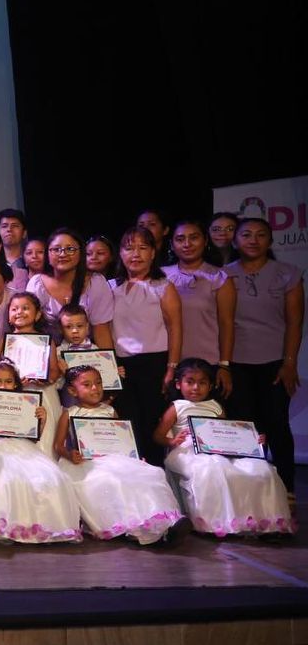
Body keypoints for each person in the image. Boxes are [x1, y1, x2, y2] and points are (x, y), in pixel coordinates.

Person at [157, 358, 294, 539]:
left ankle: (265, 524)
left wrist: (252, 441)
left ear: (211, 386)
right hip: (187, 451)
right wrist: (172, 441)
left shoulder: (216, 407)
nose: (196, 387)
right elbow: (158, 436)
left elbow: (226, 433)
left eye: (202, 383)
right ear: (178, 384)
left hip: (217, 451)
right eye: (190, 382)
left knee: (261, 468)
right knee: (212, 468)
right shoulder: (177, 408)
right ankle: (214, 523)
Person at [55, 365, 186, 545]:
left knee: (149, 473)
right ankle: (136, 528)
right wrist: (70, 454)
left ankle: (162, 523)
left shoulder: (110, 411)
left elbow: (120, 439)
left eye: (98, 383)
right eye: (87, 384)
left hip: (113, 458)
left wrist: (132, 455)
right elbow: (57, 445)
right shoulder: (69, 413)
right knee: (111, 480)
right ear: (72, 390)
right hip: (86, 462)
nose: (95, 388)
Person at [224, 217, 303, 492]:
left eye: (260, 235)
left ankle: (285, 488)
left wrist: (289, 362)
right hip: (235, 362)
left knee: (277, 424)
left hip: (274, 362)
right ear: (235, 241)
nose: (253, 240)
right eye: (246, 235)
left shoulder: (287, 272)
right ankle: (251, 489)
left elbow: (295, 322)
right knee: (244, 427)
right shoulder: (224, 274)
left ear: (270, 240)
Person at [0, 360, 81, 544]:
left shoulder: (25, 404)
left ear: (15, 384)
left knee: (50, 477)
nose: (3, 385)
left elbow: (32, 438)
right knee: (7, 480)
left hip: (23, 449)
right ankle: (9, 526)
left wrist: (41, 421)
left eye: (8, 381)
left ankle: (44, 525)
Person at [109, 227, 182, 466]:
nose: (135, 254)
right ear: (120, 253)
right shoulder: (111, 287)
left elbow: (175, 328)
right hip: (121, 366)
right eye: (129, 248)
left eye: (143, 248)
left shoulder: (163, 286)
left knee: (152, 424)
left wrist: (172, 367)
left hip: (155, 363)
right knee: (128, 424)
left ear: (153, 253)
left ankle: (157, 485)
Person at [164, 219, 234, 394]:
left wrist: (224, 365)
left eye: (194, 238)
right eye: (180, 239)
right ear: (172, 244)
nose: (187, 244)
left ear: (205, 241)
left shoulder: (219, 277)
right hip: (167, 362)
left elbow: (227, 323)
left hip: (207, 364)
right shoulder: (161, 276)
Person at [26, 228, 115, 348]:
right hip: (47, 351)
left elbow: (101, 330)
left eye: (70, 249)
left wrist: (110, 364)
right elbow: (29, 327)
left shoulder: (96, 283)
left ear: (81, 253)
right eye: (56, 249)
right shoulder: (37, 283)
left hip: (87, 354)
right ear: (48, 254)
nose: (63, 254)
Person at [0, 292, 61, 456]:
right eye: (14, 309)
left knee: (44, 440)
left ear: (38, 314)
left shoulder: (46, 341)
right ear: (9, 316)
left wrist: (46, 380)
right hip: (14, 396)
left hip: (42, 394)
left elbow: (54, 370)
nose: (19, 312)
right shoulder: (4, 341)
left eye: (25, 308)